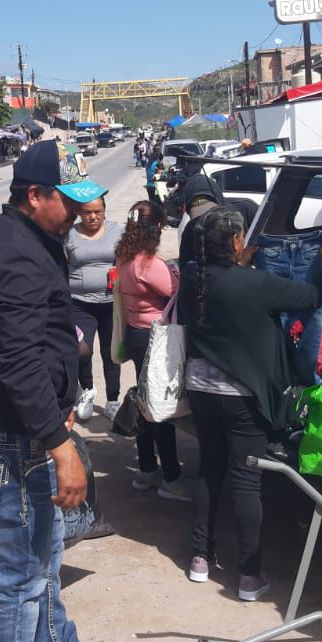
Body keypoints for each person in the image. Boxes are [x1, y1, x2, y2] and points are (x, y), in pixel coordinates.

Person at [0, 141, 112, 642]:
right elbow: (19, 364)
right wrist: (61, 445)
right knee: (20, 577)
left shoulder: (23, 239)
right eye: (66, 202)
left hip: (24, 432)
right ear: (33, 196)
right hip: (13, 441)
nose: (77, 212)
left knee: (44, 559)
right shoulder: (17, 255)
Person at [179, 206, 322, 600]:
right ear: (235, 240)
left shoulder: (191, 278)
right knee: (247, 481)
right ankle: (249, 576)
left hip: (200, 389)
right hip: (242, 398)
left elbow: (223, 287)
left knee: (209, 468)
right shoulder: (255, 285)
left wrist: (238, 264)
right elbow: (311, 296)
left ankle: (200, 557)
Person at [115, 199, 191, 500]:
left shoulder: (124, 256)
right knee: (160, 408)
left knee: (147, 402)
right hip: (154, 338)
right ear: (157, 227)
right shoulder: (149, 264)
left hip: (136, 334)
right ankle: (171, 477)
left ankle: (147, 469)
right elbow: (176, 290)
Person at [65, 196, 124, 422]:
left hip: (111, 302)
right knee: (82, 350)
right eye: (88, 212)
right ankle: (87, 392)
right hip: (80, 303)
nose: (93, 217)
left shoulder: (117, 230)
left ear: (105, 211)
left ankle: (112, 400)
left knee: (112, 353)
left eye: (98, 212)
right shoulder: (69, 233)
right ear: (80, 212)